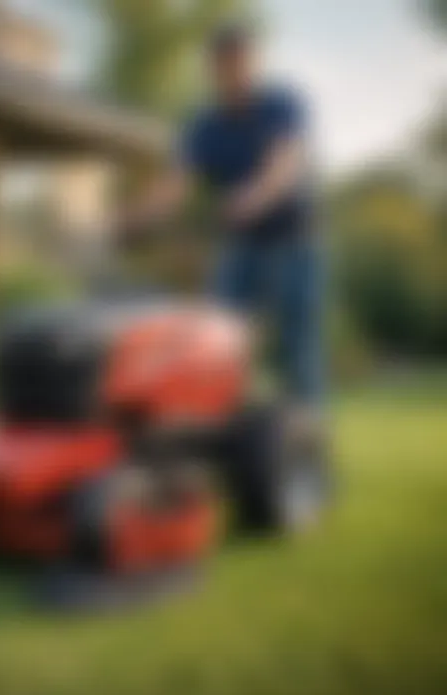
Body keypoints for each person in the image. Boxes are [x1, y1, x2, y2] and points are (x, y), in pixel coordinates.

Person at [119, 22, 324, 432]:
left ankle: (306, 441)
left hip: (293, 241)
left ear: (253, 63)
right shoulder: (204, 125)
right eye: (225, 62)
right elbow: (175, 187)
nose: (234, 70)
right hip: (241, 242)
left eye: (242, 60)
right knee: (221, 341)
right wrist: (138, 216)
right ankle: (229, 435)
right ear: (213, 68)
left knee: (295, 345)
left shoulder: (282, 105)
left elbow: (285, 165)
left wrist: (256, 196)